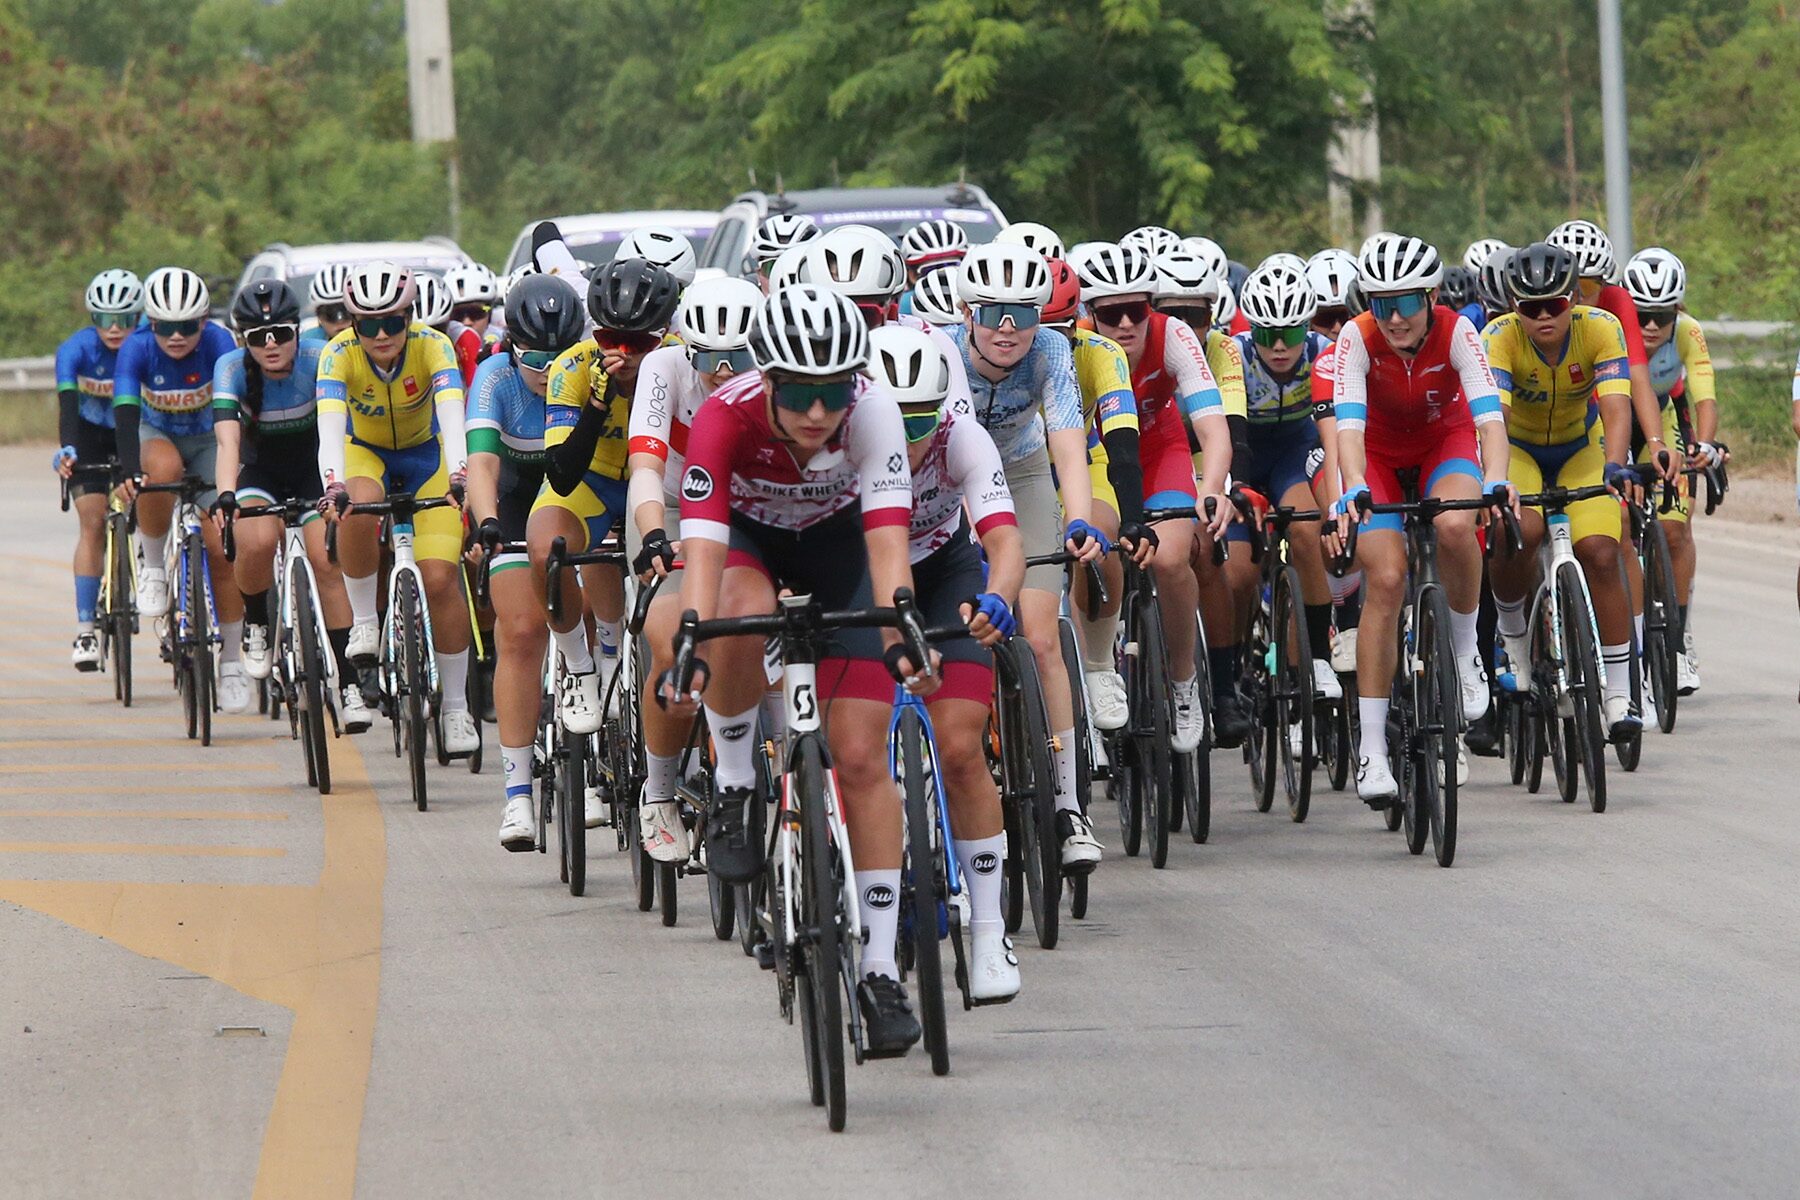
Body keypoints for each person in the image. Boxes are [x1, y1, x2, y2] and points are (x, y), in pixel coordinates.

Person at [664, 284, 928, 1055]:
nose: (818, 413)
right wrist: (691, 636)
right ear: (768, 380)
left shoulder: (873, 413)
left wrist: (900, 626)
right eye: (800, 394)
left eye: (833, 392)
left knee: (862, 756)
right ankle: (736, 782)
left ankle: (880, 972)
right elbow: (703, 548)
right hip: (750, 542)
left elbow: (888, 541)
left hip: (844, 548)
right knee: (737, 614)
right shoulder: (724, 415)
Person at [869, 322, 1025, 1001]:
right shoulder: (834, 446)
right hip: (862, 573)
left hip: (942, 568)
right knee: (853, 747)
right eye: (889, 419)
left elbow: (1005, 541)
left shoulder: (964, 437)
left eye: (920, 419)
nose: (905, 436)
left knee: (961, 748)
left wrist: (998, 599)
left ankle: (989, 931)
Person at [1329, 236, 1513, 804]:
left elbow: (1489, 420)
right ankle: (1372, 749)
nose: (1394, 318)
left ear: (1431, 297)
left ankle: (1465, 651)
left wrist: (1496, 479)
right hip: (1377, 456)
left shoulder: (1458, 331)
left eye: (1406, 302)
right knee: (1386, 579)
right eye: (1381, 304)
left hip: (1443, 442)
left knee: (1457, 524)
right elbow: (1348, 429)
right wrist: (1353, 484)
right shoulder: (1355, 337)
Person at [947, 241, 1112, 868]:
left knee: (1042, 638)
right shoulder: (944, 352)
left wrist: (1079, 518)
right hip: (954, 483)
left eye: (1023, 313)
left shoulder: (1050, 352)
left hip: (1023, 473)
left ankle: (1068, 805)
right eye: (993, 314)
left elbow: (1068, 445)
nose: (1008, 329)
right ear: (968, 314)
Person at [536, 257, 681, 830]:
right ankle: (580, 668)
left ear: (663, 335)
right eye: (609, 339)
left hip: (660, 485)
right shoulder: (573, 366)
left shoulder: (679, 361)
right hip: (593, 481)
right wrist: (597, 404)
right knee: (547, 547)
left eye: (639, 342)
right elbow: (561, 475)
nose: (624, 352)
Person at [316, 261, 479, 753]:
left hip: (428, 457)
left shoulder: (434, 346)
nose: (382, 335)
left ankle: (456, 709)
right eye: (369, 326)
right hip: (365, 454)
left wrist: (461, 473)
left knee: (440, 578)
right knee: (357, 503)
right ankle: (365, 621)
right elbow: (330, 432)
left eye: (392, 322)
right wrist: (333, 484)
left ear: (410, 317)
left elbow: (453, 418)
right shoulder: (337, 354)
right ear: (352, 324)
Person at [625, 274, 762, 861]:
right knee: (669, 637)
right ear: (687, 349)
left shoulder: (777, 372)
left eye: (738, 357)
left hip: (751, 506)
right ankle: (658, 791)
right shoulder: (664, 367)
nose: (723, 372)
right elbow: (646, 466)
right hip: (676, 506)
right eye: (709, 358)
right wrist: (655, 533)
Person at [1078, 243, 1235, 752]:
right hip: (1098, 455)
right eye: (1111, 314)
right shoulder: (1078, 344)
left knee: (1170, 559)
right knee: (1092, 551)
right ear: (1090, 314)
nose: (1126, 324)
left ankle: (1184, 679)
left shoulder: (1175, 336)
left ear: (1152, 307)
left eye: (1137, 310)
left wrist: (1210, 490)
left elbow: (1213, 428)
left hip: (1161, 449)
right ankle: (1093, 674)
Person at [1481, 242, 1642, 740]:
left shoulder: (1601, 327)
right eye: (1531, 308)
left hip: (1581, 447)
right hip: (1519, 449)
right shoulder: (1498, 337)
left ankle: (1620, 695)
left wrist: (1616, 464)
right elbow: (1496, 419)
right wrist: (1497, 479)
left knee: (1600, 550)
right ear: (1514, 306)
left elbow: (1616, 406)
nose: (1544, 316)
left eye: (1554, 304)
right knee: (1518, 532)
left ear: (1572, 298)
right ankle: (1514, 641)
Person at [211, 281, 368, 730]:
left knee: (326, 562)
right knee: (256, 541)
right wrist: (226, 494)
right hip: (260, 473)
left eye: (280, 333)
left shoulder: (321, 357)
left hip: (313, 472)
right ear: (243, 340)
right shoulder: (230, 368)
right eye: (258, 337)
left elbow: (344, 431)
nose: (271, 344)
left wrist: (338, 484)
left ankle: (350, 684)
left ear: (297, 331)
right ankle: (257, 622)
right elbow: (227, 442)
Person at [466, 275, 588, 849]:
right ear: (511, 347)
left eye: (558, 358)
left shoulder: (590, 372)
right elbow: (483, 464)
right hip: (515, 503)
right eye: (534, 359)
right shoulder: (495, 377)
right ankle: (517, 794)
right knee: (518, 631)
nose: (546, 370)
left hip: (579, 500)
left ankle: (609, 743)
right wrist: (487, 521)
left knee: (598, 611)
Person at [111, 267, 251, 712]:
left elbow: (241, 408)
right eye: (165, 328)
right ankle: (154, 564)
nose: (176, 337)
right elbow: (125, 413)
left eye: (187, 327)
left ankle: (232, 662)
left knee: (222, 547)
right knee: (162, 469)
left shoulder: (219, 344)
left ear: (204, 322)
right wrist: (129, 471)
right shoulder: (135, 348)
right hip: (157, 434)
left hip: (210, 439)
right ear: (149, 324)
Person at [1150, 245, 1256, 743]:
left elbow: (1231, 429)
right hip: (1138, 450)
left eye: (1196, 316)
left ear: (1212, 317)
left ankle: (1224, 690)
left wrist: (1228, 489)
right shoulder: (1138, 341)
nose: (1185, 326)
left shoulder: (1223, 349)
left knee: (1208, 549)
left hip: (1197, 453)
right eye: (1173, 314)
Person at [1038, 256, 1147, 736]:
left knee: (1102, 543)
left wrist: (1134, 519)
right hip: (1018, 469)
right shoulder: (990, 355)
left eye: (1062, 330)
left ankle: (1100, 666)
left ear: (1078, 321)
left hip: (1083, 460)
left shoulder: (1101, 352)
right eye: (1041, 330)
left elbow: (1121, 442)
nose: (1050, 343)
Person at [1229, 261, 1343, 705]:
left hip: (1294, 453)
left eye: (1291, 333)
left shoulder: (1324, 352)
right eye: (1267, 334)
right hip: (1243, 453)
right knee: (1239, 572)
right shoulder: (1234, 354)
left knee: (1307, 530)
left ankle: (1317, 658)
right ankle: (1233, 660)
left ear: (1306, 327)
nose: (1279, 346)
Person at [1625, 248, 1720, 695]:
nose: (1650, 325)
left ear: (1676, 311)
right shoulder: (1611, 328)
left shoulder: (1688, 331)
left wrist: (1705, 445)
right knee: (1614, 526)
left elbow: (1704, 394)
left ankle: (1678, 641)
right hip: (1610, 421)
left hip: (1661, 423)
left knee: (1676, 530)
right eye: (1641, 314)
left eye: (1660, 316)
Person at [53, 268, 141, 670]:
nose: (115, 328)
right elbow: (68, 408)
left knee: (147, 500)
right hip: (89, 434)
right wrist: (67, 448)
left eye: (124, 318)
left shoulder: (145, 346)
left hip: (132, 433)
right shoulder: (76, 350)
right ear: (93, 319)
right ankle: (86, 629)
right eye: (105, 318)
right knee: (91, 520)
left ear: (138, 317)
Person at [303, 265, 353, 345]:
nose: (340, 320)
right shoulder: (306, 344)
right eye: (329, 313)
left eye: (347, 310)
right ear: (318, 317)